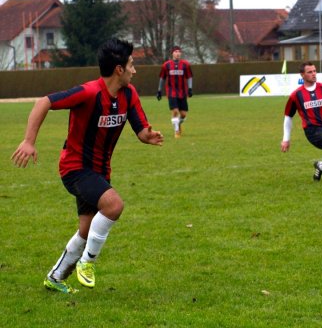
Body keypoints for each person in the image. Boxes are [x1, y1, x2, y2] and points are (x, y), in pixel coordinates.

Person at [11, 38, 164, 294]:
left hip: (100, 172)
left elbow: (140, 130)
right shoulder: (89, 92)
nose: (134, 70)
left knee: (86, 229)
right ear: (119, 69)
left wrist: (148, 136)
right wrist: (28, 141)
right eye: (131, 65)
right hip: (75, 168)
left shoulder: (129, 94)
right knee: (114, 205)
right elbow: (44, 102)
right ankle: (87, 263)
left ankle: (55, 277)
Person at [157, 46, 193, 138]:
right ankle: (176, 131)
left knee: (183, 114)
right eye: (175, 52)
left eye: (179, 52)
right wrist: (159, 90)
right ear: (172, 53)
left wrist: (190, 88)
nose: (177, 53)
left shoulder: (185, 64)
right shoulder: (166, 65)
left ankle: (178, 123)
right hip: (171, 92)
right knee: (175, 111)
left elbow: (189, 77)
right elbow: (162, 78)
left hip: (182, 92)